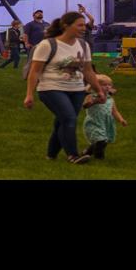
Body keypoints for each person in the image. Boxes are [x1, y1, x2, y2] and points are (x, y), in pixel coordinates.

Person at [23, 10, 108, 164]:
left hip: (76, 89)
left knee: (62, 121)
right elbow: (35, 72)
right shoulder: (47, 45)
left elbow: (88, 71)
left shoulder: (83, 45)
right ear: (66, 26)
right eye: (79, 25)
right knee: (69, 118)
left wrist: (99, 90)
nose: (84, 28)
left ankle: (51, 155)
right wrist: (29, 94)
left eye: (84, 25)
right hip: (50, 88)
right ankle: (73, 155)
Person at [82, 74, 129, 160]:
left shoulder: (110, 98)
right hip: (94, 121)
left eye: (109, 85)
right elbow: (85, 105)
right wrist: (95, 101)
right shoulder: (91, 96)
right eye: (104, 85)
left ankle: (87, 152)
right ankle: (99, 158)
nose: (107, 87)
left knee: (103, 140)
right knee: (101, 140)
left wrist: (121, 119)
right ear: (96, 86)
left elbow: (114, 111)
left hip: (106, 122)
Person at [20, 10, 48, 80]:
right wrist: (26, 43)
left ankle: (41, 76)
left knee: (44, 61)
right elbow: (25, 35)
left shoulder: (47, 24)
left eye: (41, 13)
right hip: (33, 46)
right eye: (38, 13)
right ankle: (26, 75)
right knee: (31, 62)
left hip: (45, 46)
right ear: (34, 15)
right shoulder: (30, 24)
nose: (40, 14)